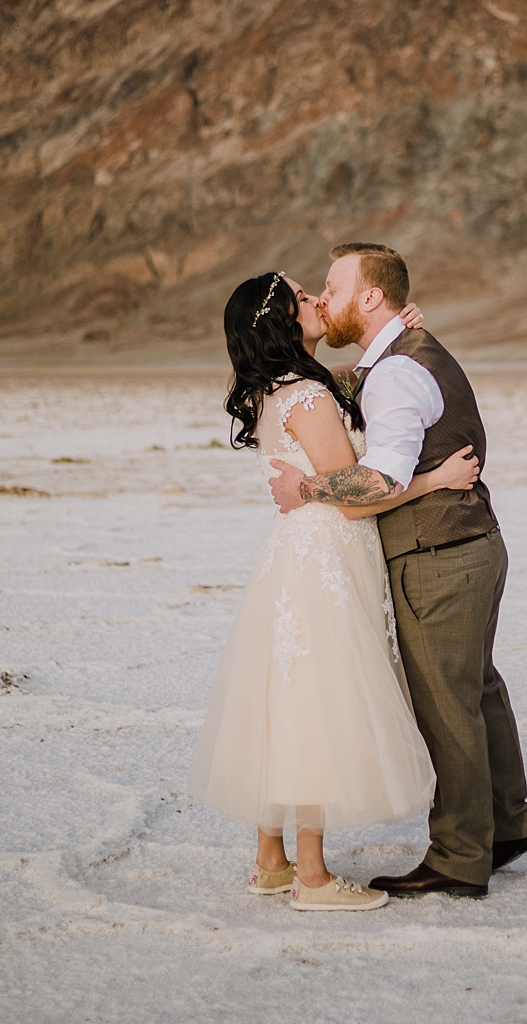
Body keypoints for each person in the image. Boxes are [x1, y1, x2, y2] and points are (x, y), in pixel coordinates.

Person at [187, 271, 481, 911]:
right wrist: (436, 480)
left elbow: (345, 391)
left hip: (296, 554)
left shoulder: (289, 389)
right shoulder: (309, 397)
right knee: (316, 702)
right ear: (285, 322)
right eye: (302, 296)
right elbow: (354, 497)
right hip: (325, 554)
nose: (318, 301)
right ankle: (313, 878)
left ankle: (271, 859)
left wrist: (395, 333)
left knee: (288, 696)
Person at [269, 243, 527, 898]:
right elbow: (347, 395)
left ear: (371, 297)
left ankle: (458, 855)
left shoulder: (396, 373)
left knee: (448, 706)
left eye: (333, 288)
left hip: (438, 555)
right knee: (477, 691)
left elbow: (378, 478)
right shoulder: (399, 359)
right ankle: (507, 824)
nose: (324, 299)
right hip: (471, 544)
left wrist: (307, 490)